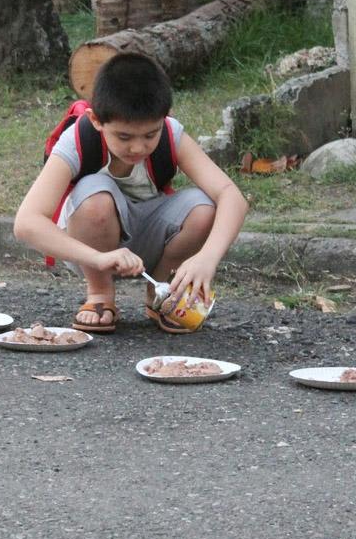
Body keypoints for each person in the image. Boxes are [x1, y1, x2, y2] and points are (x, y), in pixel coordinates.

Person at [13, 53, 248, 334]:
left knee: (204, 207)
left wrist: (207, 257)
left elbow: (231, 196)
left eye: (150, 135)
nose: (138, 148)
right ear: (96, 120)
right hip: (89, 249)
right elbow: (26, 223)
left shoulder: (172, 134)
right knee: (94, 196)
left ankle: (162, 292)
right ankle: (100, 294)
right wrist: (98, 258)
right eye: (124, 137)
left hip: (150, 239)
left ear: (164, 118)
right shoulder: (78, 140)